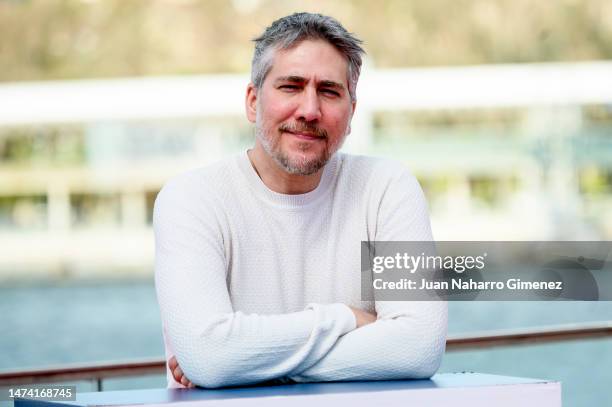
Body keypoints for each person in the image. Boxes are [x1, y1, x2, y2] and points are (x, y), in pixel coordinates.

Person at [154, 12, 447, 389]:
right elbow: (211, 357)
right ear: (252, 101)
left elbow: (418, 348)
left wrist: (249, 365)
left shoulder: (389, 188)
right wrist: (345, 318)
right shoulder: (190, 200)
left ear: (352, 112)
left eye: (329, 91)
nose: (310, 110)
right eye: (291, 86)